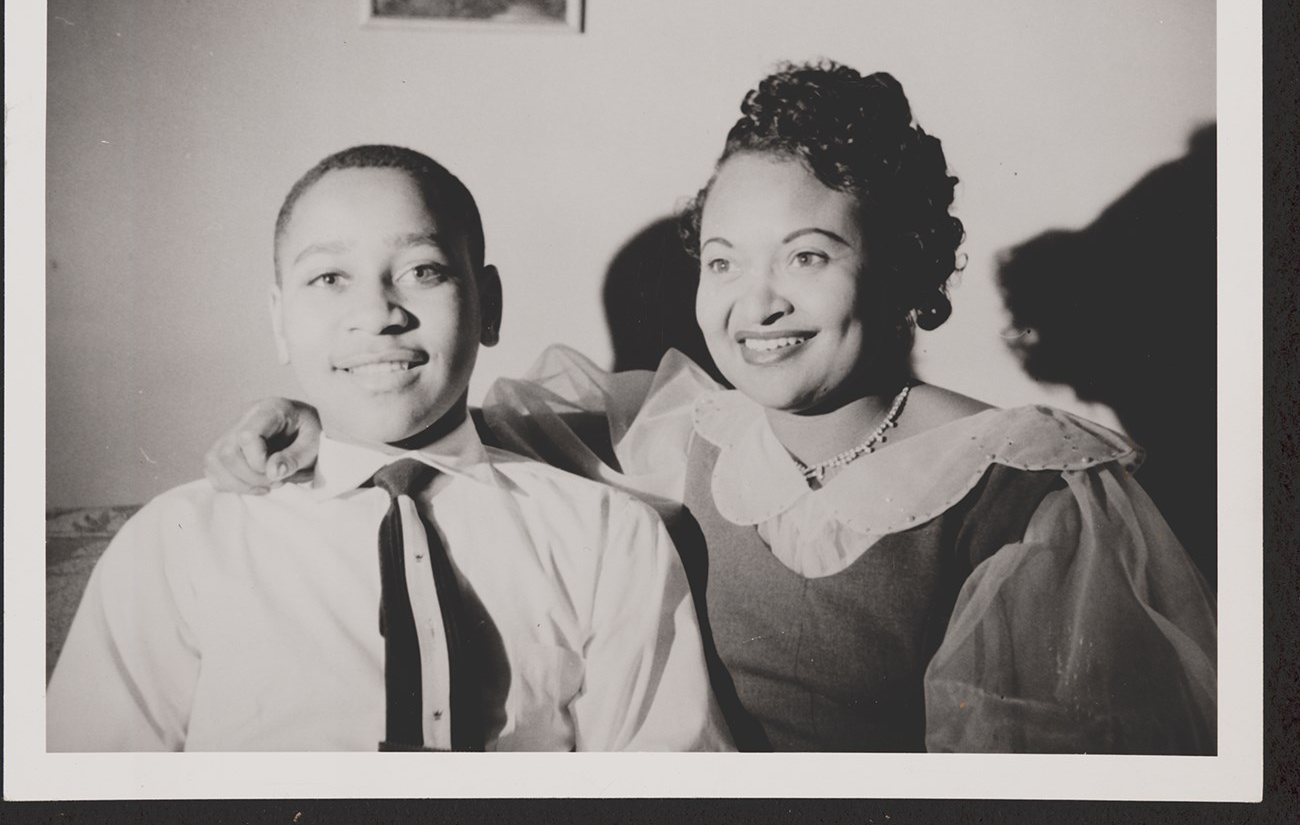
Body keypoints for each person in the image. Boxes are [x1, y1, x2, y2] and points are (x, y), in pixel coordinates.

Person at [207, 65, 1217, 754]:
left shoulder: (1015, 485)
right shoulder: (679, 429)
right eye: (723, 261)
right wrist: (306, 408)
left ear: (903, 263)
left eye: (808, 256)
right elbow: (446, 425)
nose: (755, 302)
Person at [47, 144, 732, 752]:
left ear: (488, 305)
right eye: (329, 279)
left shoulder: (607, 537)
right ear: (280, 321)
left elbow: (661, 779)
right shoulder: (178, 543)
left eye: (422, 270)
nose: (377, 312)